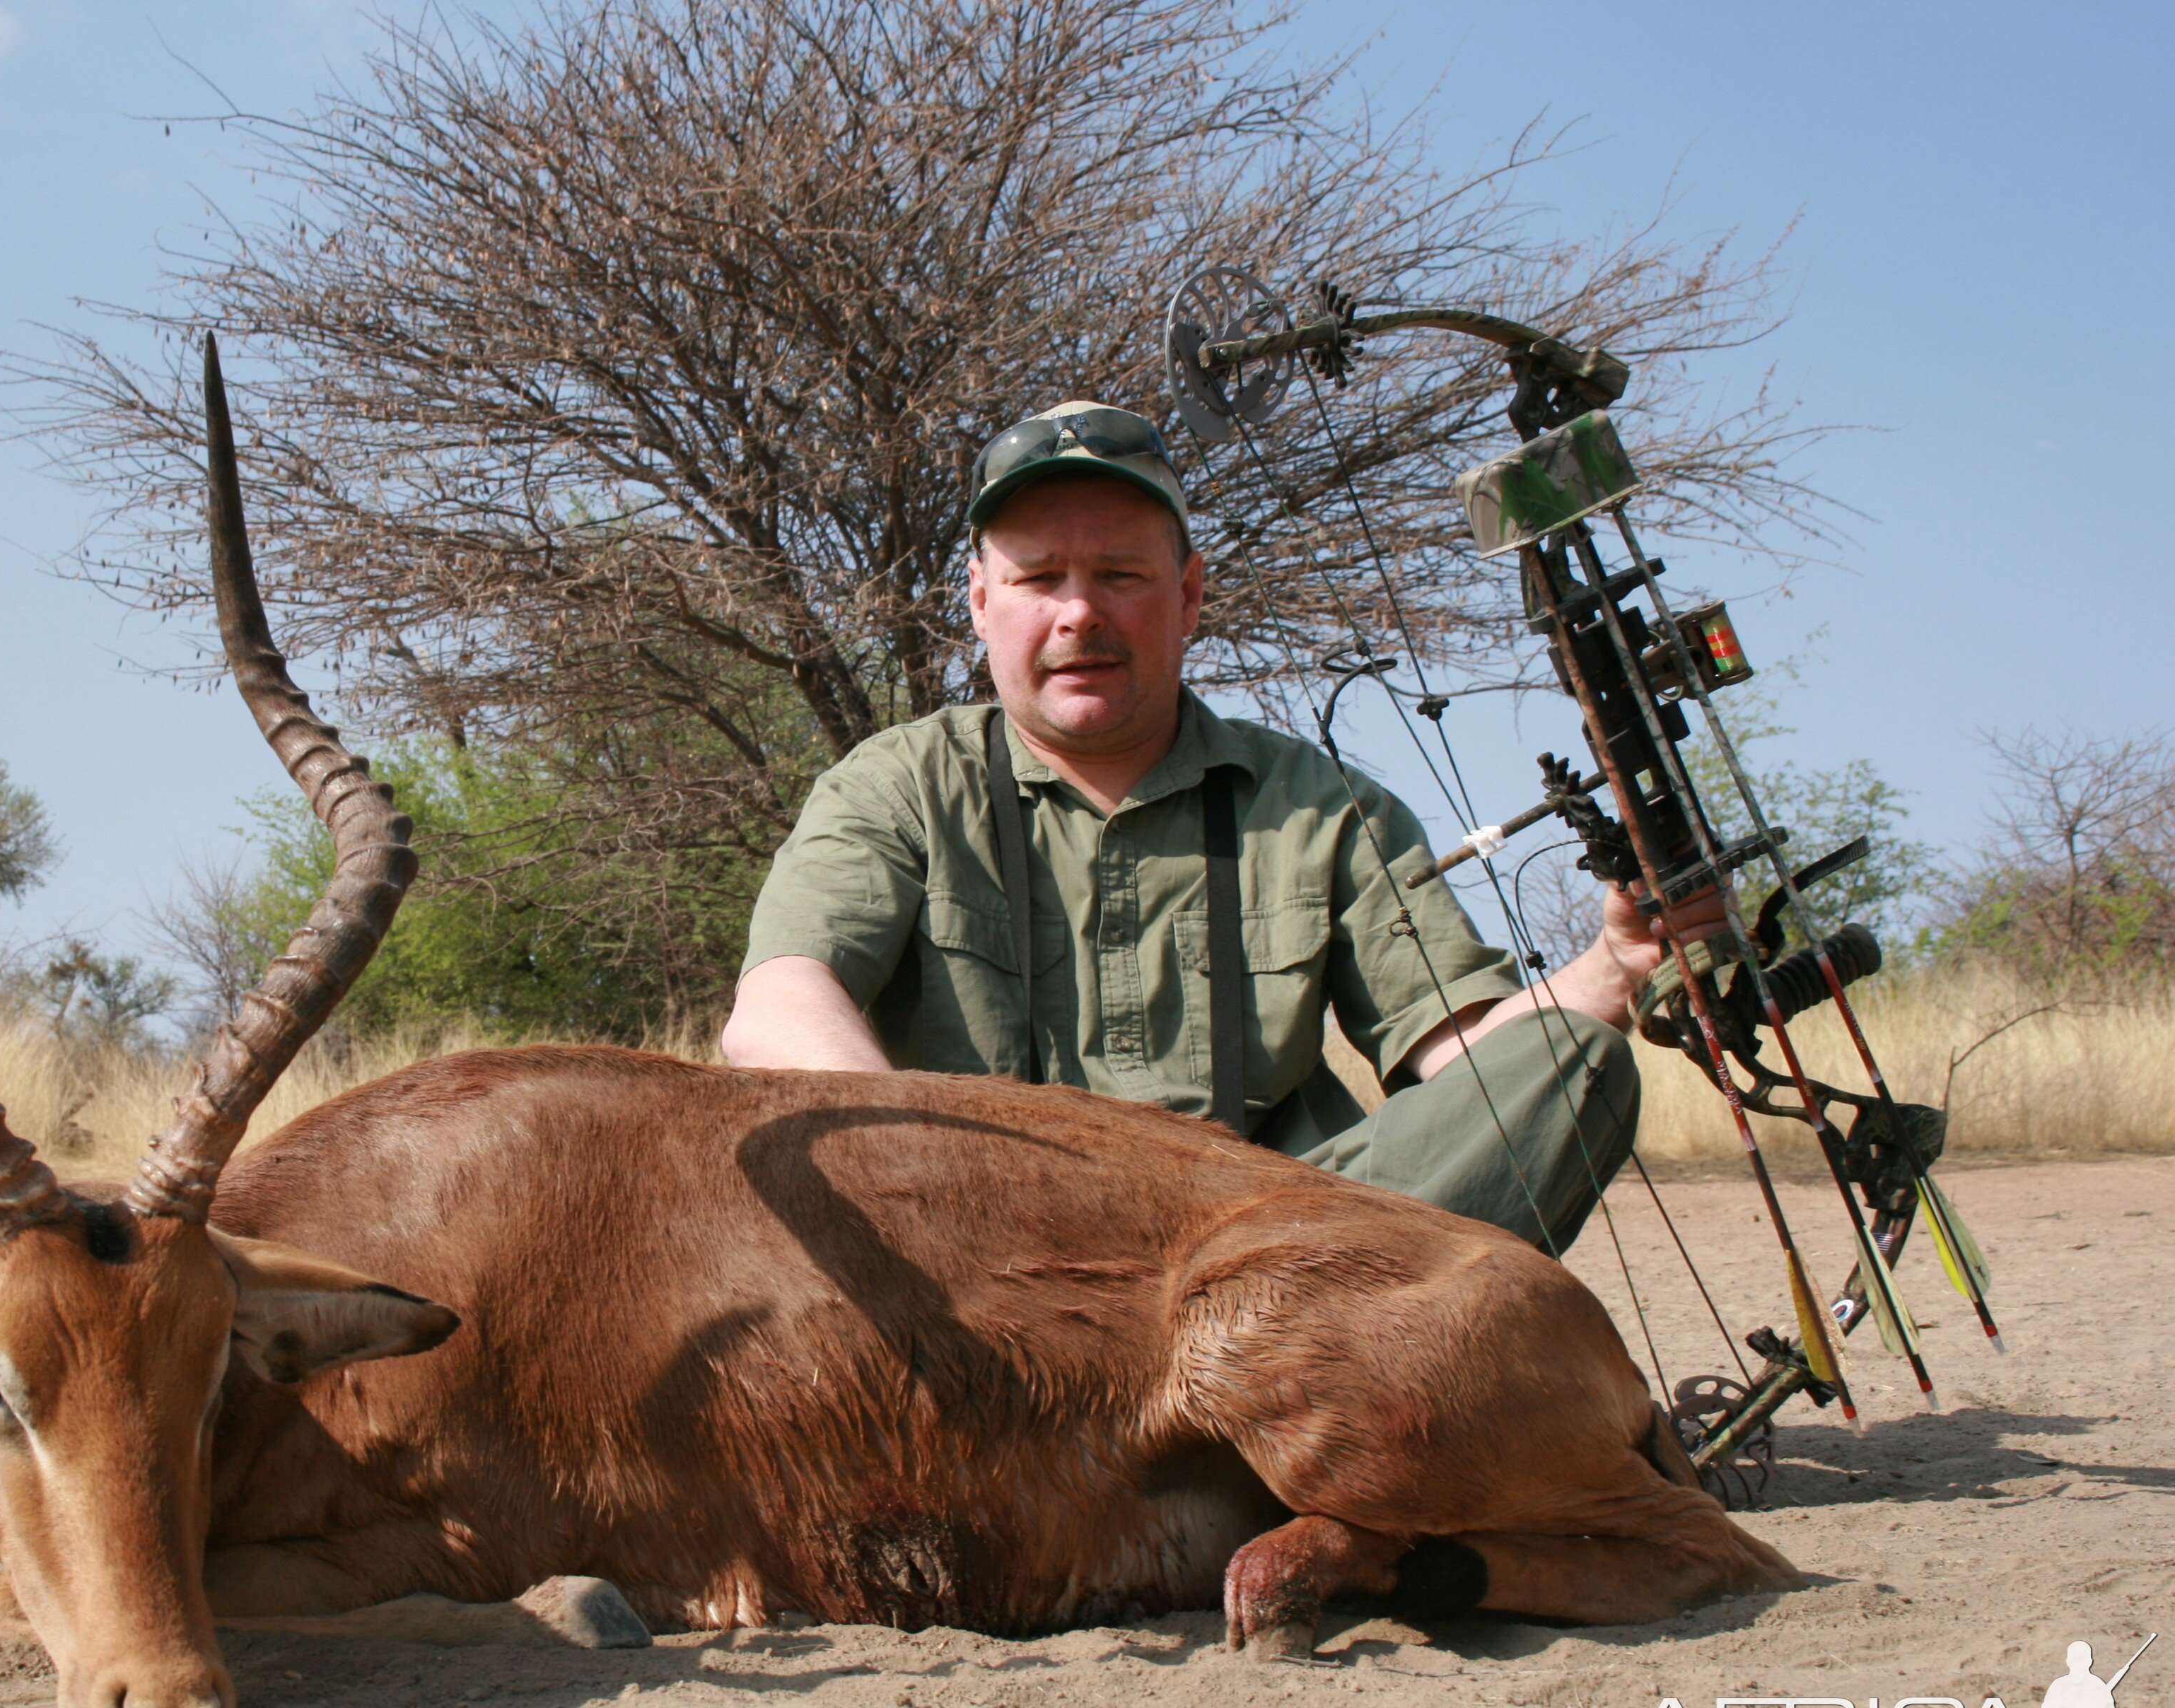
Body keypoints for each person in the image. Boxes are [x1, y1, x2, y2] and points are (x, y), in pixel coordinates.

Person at [719, 398, 1718, 1255]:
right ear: (981, 604)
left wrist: (1619, 967)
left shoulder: (1326, 805)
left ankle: (1255, 1385)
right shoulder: (893, 785)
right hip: (989, 1252)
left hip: (1275, 1262)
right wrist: (932, 1179)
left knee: (1573, 1064)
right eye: (1039, 579)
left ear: (1188, 595)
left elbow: (1463, 1052)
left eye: (1120, 574)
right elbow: (778, 1007)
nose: (1079, 614)